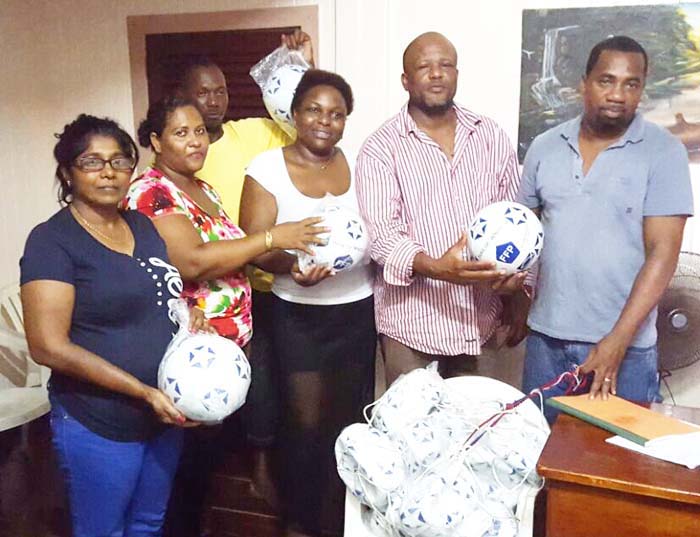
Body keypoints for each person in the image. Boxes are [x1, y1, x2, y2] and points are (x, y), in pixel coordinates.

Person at [122, 96, 324, 537]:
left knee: (204, 465)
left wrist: (292, 264)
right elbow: (193, 262)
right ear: (155, 141)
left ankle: (197, 524)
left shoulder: (204, 188)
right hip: (189, 352)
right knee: (181, 470)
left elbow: (234, 258)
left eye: (199, 131)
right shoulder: (152, 191)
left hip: (224, 352)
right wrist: (272, 236)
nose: (195, 141)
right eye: (180, 133)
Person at [20, 114, 210, 537]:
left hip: (162, 415)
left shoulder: (142, 226)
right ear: (67, 172)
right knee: (103, 530)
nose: (109, 171)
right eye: (92, 161)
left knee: (148, 523)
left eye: (121, 161)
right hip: (99, 421)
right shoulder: (51, 242)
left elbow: (160, 294)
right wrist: (142, 392)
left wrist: (186, 315)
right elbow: (47, 346)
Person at [518, 36, 693, 420]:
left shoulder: (664, 152)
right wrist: (510, 300)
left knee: (615, 469)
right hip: (546, 343)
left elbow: (662, 255)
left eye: (631, 84)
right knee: (536, 463)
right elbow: (521, 237)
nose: (618, 94)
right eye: (606, 80)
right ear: (584, 83)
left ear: (642, 89)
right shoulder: (545, 147)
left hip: (626, 350)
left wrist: (617, 341)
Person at [177, 30, 315, 503]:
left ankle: (263, 465)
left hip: (269, 281)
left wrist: (304, 66)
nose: (214, 100)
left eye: (220, 89)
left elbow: (303, 124)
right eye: (203, 91)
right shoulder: (184, 156)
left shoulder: (250, 131)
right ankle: (213, 479)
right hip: (209, 294)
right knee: (215, 383)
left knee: (268, 378)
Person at [240, 69, 375, 537]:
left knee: (347, 420)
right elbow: (256, 244)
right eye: (315, 110)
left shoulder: (361, 162)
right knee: (305, 424)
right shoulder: (266, 167)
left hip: (357, 309)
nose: (325, 121)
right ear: (295, 113)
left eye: (337, 114)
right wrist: (292, 268)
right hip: (297, 313)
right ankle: (298, 522)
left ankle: (339, 520)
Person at [355, 32, 529, 388]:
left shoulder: (490, 135)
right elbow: (381, 236)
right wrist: (436, 267)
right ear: (406, 80)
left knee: (479, 432)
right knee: (414, 435)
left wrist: (520, 294)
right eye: (424, 66)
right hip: (413, 326)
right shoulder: (380, 148)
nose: (436, 74)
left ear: (456, 74)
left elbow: (518, 218)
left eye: (445, 65)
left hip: (483, 320)